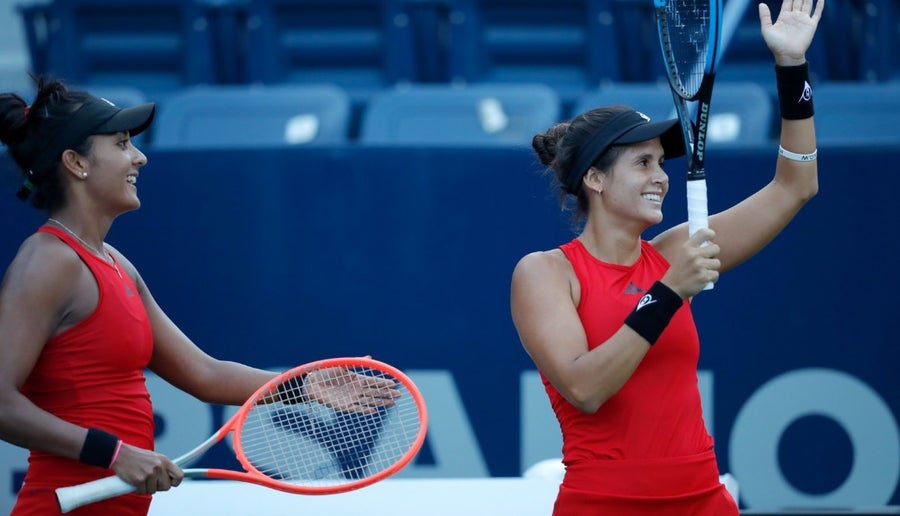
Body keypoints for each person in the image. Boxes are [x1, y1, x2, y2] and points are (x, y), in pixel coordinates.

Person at [0, 79, 399, 515]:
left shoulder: (116, 265)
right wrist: (114, 453)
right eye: (121, 144)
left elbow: (204, 374)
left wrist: (302, 385)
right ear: (76, 162)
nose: (139, 157)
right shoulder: (48, 261)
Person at [510, 1, 823, 514]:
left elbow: (796, 186)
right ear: (595, 178)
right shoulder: (545, 272)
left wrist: (792, 67)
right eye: (642, 162)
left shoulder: (676, 250)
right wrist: (669, 292)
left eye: (660, 162)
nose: (660, 177)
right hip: (604, 504)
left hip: (703, 500)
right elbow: (585, 388)